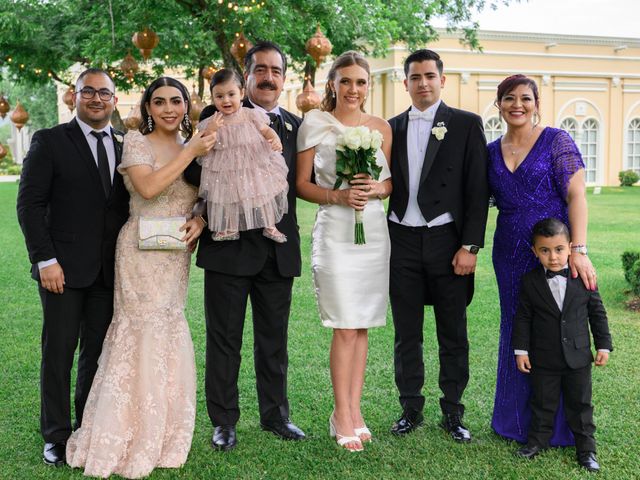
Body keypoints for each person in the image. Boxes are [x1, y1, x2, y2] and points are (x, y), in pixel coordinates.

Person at [65, 77, 215, 478]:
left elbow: (207, 191)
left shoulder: (195, 146)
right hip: (140, 254)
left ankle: (164, 431)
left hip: (174, 255)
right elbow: (148, 188)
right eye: (160, 102)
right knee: (139, 331)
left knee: (166, 329)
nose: (169, 109)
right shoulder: (135, 143)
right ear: (147, 108)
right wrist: (191, 153)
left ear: (187, 105)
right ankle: (123, 432)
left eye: (176, 101)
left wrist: (200, 218)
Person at [184, 41, 305, 451]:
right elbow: (198, 175)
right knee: (224, 339)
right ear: (246, 76)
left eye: (276, 70)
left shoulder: (292, 124)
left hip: (277, 248)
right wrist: (201, 212)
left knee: (274, 341)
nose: (268, 77)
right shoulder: (213, 117)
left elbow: (298, 183)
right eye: (260, 70)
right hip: (227, 247)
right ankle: (224, 421)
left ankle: (276, 416)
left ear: (284, 78)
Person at [16, 68, 130, 467]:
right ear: (74, 96)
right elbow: (29, 205)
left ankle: (86, 426)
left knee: (96, 355)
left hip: (109, 271)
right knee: (59, 352)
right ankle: (56, 434)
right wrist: (45, 260)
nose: (97, 99)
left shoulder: (125, 142)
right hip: (61, 269)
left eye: (105, 93)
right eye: (89, 92)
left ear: (114, 100)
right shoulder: (49, 141)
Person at [488, 74, 598, 446]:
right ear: (498, 104)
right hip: (508, 252)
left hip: (553, 251)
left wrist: (578, 250)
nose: (517, 105)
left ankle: (561, 427)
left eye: (525, 98)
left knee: (555, 330)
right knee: (516, 327)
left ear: (536, 103)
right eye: (508, 98)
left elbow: (577, 196)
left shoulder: (556, 141)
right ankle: (515, 422)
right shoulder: (490, 151)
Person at [387, 49, 489, 442]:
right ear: (406, 82)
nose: (423, 83)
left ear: (442, 80)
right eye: (416, 77)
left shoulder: (465, 124)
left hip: (448, 241)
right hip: (401, 240)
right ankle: (410, 408)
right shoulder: (391, 127)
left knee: (453, 330)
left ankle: (453, 411)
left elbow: (477, 191)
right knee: (406, 332)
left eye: (430, 76)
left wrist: (470, 246)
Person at [297, 51, 393, 452]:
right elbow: (301, 184)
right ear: (332, 84)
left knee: (363, 323)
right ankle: (340, 413)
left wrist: (375, 189)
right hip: (336, 229)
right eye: (346, 81)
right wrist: (337, 196)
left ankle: (354, 411)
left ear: (367, 87)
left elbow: (390, 184)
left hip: (371, 229)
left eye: (361, 82)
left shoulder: (381, 128)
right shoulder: (314, 123)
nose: (353, 89)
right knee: (344, 323)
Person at [512, 218, 612, 473]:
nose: (553, 257)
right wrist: (521, 350)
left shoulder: (584, 277)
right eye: (544, 250)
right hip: (543, 358)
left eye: (558, 249)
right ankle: (537, 442)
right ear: (535, 251)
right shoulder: (530, 282)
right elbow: (523, 317)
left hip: (578, 358)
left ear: (570, 248)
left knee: (581, 405)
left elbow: (597, 313)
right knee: (543, 403)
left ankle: (586, 449)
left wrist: (604, 346)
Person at [196, 68, 289, 243]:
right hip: (227, 170)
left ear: (242, 93)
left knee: (264, 193)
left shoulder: (251, 115)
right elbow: (205, 146)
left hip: (254, 165)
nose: (226, 100)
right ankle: (230, 228)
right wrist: (212, 130)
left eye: (231, 94)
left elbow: (266, 130)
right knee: (228, 198)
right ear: (213, 98)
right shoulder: (213, 121)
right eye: (219, 96)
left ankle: (270, 225)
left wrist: (274, 139)